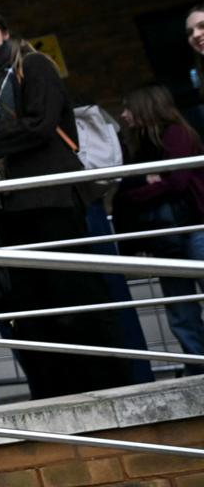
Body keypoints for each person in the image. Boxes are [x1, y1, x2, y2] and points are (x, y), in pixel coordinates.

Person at [0, 10, 137, 398]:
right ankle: (59, 392)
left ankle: (108, 387)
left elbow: (40, 124)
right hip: (10, 208)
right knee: (37, 308)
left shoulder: (34, 65)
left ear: (4, 32)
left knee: (76, 296)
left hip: (50, 201)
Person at [113, 84, 204, 374]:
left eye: (129, 107)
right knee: (180, 309)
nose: (124, 114)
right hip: (168, 236)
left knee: (184, 304)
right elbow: (126, 191)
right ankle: (199, 367)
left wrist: (154, 182)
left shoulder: (176, 133)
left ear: (145, 107)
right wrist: (148, 183)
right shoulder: (138, 143)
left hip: (195, 228)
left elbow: (177, 183)